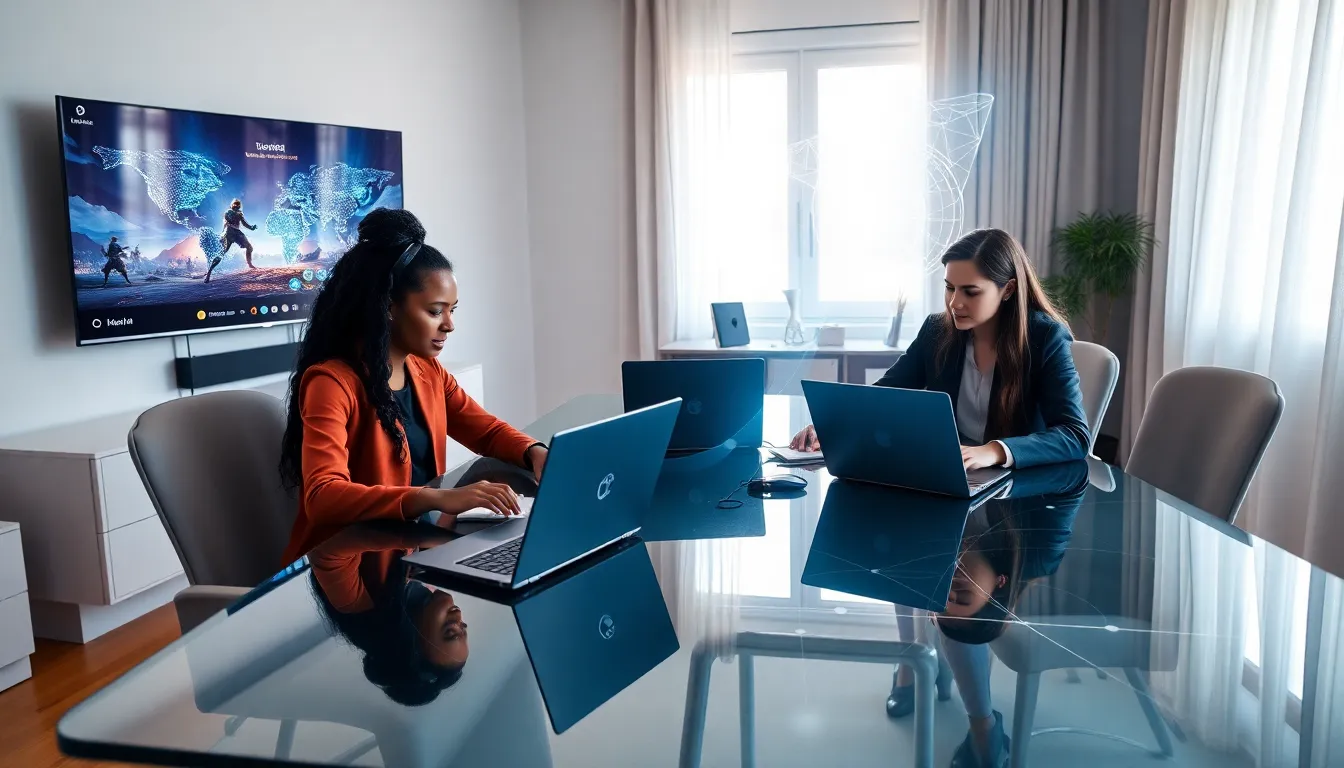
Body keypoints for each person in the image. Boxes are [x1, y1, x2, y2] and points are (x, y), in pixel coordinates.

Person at [278, 208, 547, 563]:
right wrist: (434, 498)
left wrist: (535, 452)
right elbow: (323, 498)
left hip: (411, 552)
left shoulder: (428, 371)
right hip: (347, 567)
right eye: (436, 312)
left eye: (453, 310)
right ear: (389, 308)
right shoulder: (332, 383)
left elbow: (486, 431)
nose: (449, 325)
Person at [789, 227, 1090, 470]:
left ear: (1008, 289)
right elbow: (884, 394)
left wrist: (995, 451)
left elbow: (1074, 435)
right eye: (949, 287)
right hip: (951, 476)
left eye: (970, 291)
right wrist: (832, 427)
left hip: (1019, 493)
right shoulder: (937, 330)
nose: (954, 303)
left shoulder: (1045, 337)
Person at [206, 199, 257, 283]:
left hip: (237, 233)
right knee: (221, 254)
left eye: (238, 205)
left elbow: (244, 224)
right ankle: (209, 273)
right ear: (232, 205)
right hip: (229, 233)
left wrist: (252, 227)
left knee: (249, 247)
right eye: (235, 205)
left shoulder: (239, 214)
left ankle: (250, 264)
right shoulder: (228, 212)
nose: (237, 206)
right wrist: (223, 235)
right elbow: (227, 221)